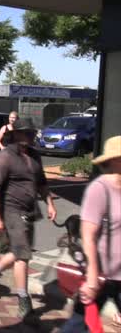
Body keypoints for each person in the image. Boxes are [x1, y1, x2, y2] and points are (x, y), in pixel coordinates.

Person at [0, 117, 57, 321]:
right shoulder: (3, 158)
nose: (29, 137)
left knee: (19, 251)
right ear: (15, 135)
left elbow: (42, 183)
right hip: (11, 211)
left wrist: (50, 203)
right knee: (23, 256)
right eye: (25, 133)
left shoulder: (35, 157)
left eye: (31, 133)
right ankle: (24, 300)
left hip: (30, 210)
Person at [61, 135, 121, 332]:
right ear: (115, 160)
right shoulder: (100, 189)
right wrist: (93, 277)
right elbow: (88, 235)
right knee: (78, 325)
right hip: (102, 273)